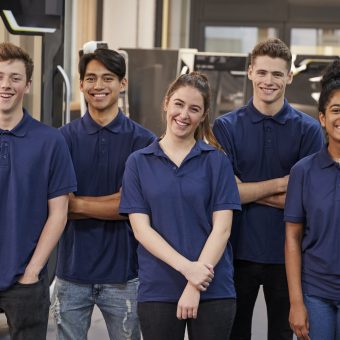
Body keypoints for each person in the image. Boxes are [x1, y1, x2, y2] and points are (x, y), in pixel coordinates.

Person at [212, 38, 324, 340]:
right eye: (261, 72)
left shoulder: (309, 130)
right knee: (234, 334)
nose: (268, 81)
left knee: (281, 335)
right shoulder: (225, 127)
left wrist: (249, 191)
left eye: (276, 74)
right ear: (250, 72)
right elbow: (228, 194)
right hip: (236, 253)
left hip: (288, 256)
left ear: (289, 76)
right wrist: (283, 183)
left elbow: (306, 200)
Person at [119, 72, 241, 340]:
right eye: (179, 104)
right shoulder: (138, 162)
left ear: (203, 115)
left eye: (194, 109)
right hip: (159, 289)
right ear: (166, 103)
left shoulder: (217, 161)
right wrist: (189, 270)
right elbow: (142, 231)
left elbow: (222, 230)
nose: (184, 114)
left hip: (213, 288)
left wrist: (196, 284)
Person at [52, 48, 155, 340]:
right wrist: (110, 203)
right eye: (91, 78)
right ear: (81, 84)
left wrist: (77, 203)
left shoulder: (143, 140)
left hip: (125, 276)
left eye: (108, 78)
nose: (99, 86)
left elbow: (131, 205)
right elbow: (56, 204)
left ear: (122, 83)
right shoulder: (62, 139)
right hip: (71, 273)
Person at [0, 42, 76, 340]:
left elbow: (59, 213)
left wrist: (32, 271)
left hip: (26, 278)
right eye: (0, 76)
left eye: (15, 78)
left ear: (28, 85)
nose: (6, 84)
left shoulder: (50, 141)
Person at [285, 59, 340, 340]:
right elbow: (293, 239)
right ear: (322, 117)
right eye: (336, 110)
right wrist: (296, 303)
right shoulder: (303, 171)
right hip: (316, 293)